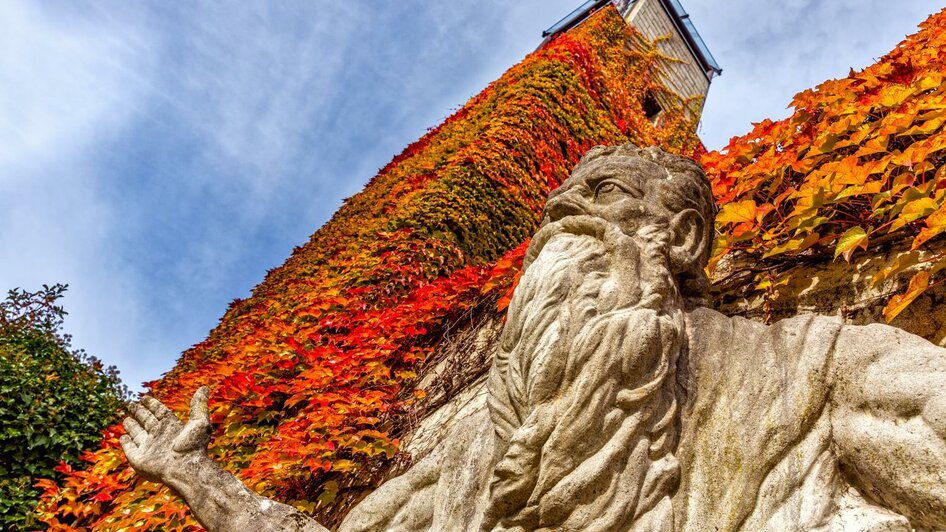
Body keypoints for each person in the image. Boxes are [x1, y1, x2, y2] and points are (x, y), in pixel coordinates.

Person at [122, 144, 946, 531]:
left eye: (607, 195)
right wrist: (198, 478)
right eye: (558, 206)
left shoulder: (815, 366)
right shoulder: (473, 443)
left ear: (685, 239)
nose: (562, 215)